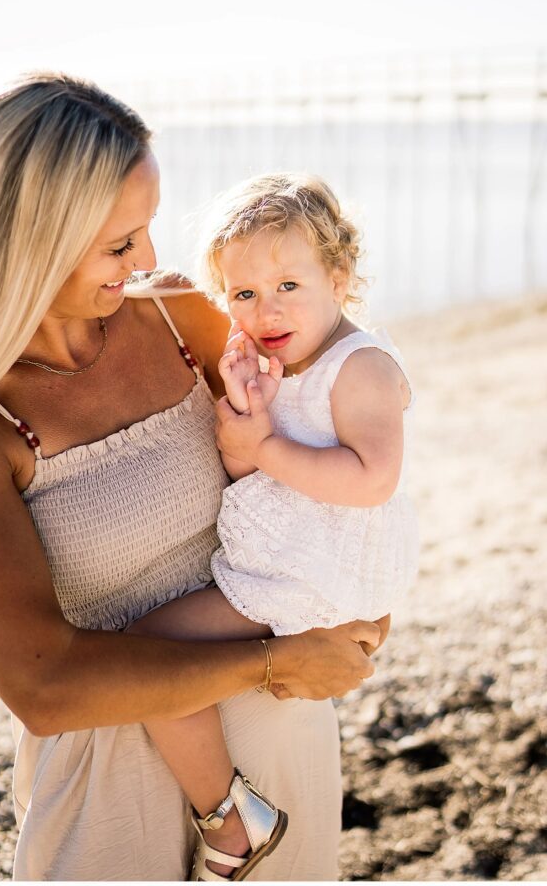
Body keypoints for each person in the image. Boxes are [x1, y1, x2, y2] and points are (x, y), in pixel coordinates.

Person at [0, 73, 383, 882]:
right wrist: (277, 664)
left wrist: (360, 599)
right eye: (119, 244)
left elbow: (319, 453)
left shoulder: (183, 317)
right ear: (30, 239)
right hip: (108, 787)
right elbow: (43, 686)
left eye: (144, 230)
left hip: (281, 738)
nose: (147, 260)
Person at [122, 173, 419, 881]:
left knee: (146, 651)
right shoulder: (278, 363)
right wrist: (246, 420)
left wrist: (268, 449)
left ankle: (229, 820)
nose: (266, 309)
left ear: (339, 277)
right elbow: (244, 472)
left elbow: (374, 476)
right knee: (160, 653)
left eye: (288, 285)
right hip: (290, 565)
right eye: (244, 294)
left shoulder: (363, 367)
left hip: (309, 573)